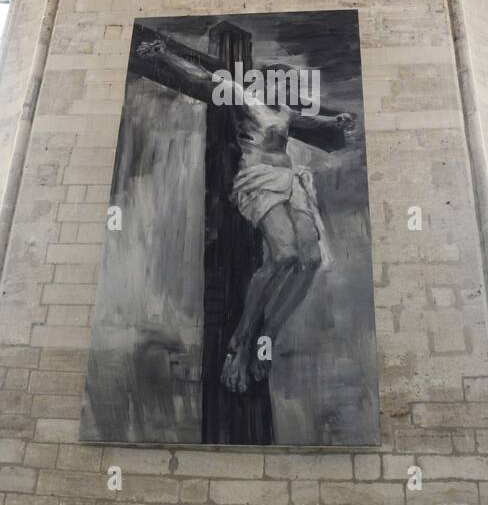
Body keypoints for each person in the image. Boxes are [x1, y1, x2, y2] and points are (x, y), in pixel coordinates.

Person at [135, 36, 357, 393]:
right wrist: (167, 57)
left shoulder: (285, 111)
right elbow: (205, 79)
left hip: (291, 181)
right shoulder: (244, 97)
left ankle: (266, 337)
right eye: (281, 84)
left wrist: (336, 121)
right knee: (284, 256)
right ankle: (240, 342)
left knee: (312, 260)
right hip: (259, 180)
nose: (287, 90)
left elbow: (309, 122)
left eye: (290, 85)